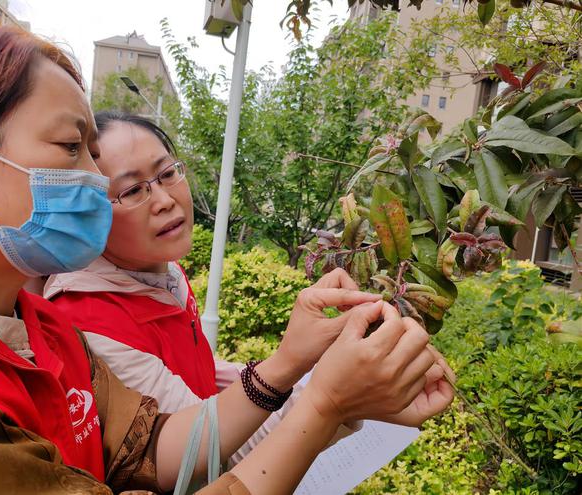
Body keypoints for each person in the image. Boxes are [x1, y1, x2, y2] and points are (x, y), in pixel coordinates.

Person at [0, 6, 454, 494]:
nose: (92, 179)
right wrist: (327, 402)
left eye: (166, 173)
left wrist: (319, 381)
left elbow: (155, 444)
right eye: (69, 147)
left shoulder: (46, 331)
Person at [43, 112, 453, 464]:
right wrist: (331, 389)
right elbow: (214, 459)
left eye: (167, 173)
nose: (165, 200)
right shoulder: (87, 324)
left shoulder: (157, 272)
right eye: (132, 190)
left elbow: (203, 375)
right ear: (88, 211)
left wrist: (321, 364)